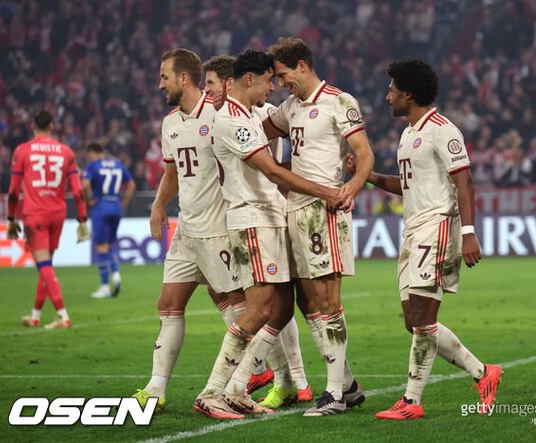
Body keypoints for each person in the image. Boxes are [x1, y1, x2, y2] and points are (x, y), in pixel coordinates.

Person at [351, 59, 502, 420]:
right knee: (414, 321)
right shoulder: (408, 134)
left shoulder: (442, 130)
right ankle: (483, 373)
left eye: (391, 90)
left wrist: (468, 233)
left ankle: (411, 401)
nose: (387, 97)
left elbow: (464, 182)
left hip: (438, 228)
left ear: (408, 93)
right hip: (413, 230)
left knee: (423, 318)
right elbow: (407, 186)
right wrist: (369, 176)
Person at [193, 50, 341, 419]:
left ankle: (238, 388)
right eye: (268, 80)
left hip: (267, 217)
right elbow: (272, 172)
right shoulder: (233, 121)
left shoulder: (247, 116)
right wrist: (325, 190)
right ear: (249, 79)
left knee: (282, 306)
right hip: (252, 221)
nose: (272, 87)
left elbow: (275, 166)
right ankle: (213, 392)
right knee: (259, 308)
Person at [263, 37, 374, 416]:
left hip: (324, 210)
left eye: (283, 75)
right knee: (310, 302)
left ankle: (334, 395)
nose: (281, 84)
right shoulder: (290, 108)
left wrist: (351, 187)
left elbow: (365, 154)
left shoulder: (339, 102)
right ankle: (349, 386)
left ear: (302, 66)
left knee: (328, 302)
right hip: (294, 209)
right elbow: (258, 132)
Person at [132, 48, 245, 413]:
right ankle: (156, 388)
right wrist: (158, 204)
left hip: (217, 230)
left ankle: (249, 379)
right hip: (186, 229)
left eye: (164, 76)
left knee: (240, 310)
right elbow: (173, 173)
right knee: (168, 305)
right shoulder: (170, 123)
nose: (159, 84)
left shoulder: (218, 114)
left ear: (184, 78)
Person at [8, 110, 90, 329]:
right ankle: (35, 316)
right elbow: (77, 191)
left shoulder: (22, 151)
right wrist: (82, 219)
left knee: (44, 265)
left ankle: (62, 315)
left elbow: (14, 191)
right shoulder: (66, 152)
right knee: (46, 266)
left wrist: (11, 217)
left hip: (35, 214)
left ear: (32, 126)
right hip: (57, 214)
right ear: (52, 126)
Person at [82, 143, 135, 298]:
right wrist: (122, 204)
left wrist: (89, 200)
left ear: (92, 153)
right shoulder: (118, 164)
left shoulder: (93, 165)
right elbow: (131, 185)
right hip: (116, 206)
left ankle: (105, 286)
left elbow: (85, 185)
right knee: (110, 245)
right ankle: (116, 275)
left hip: (101, 207)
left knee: (101, 247)